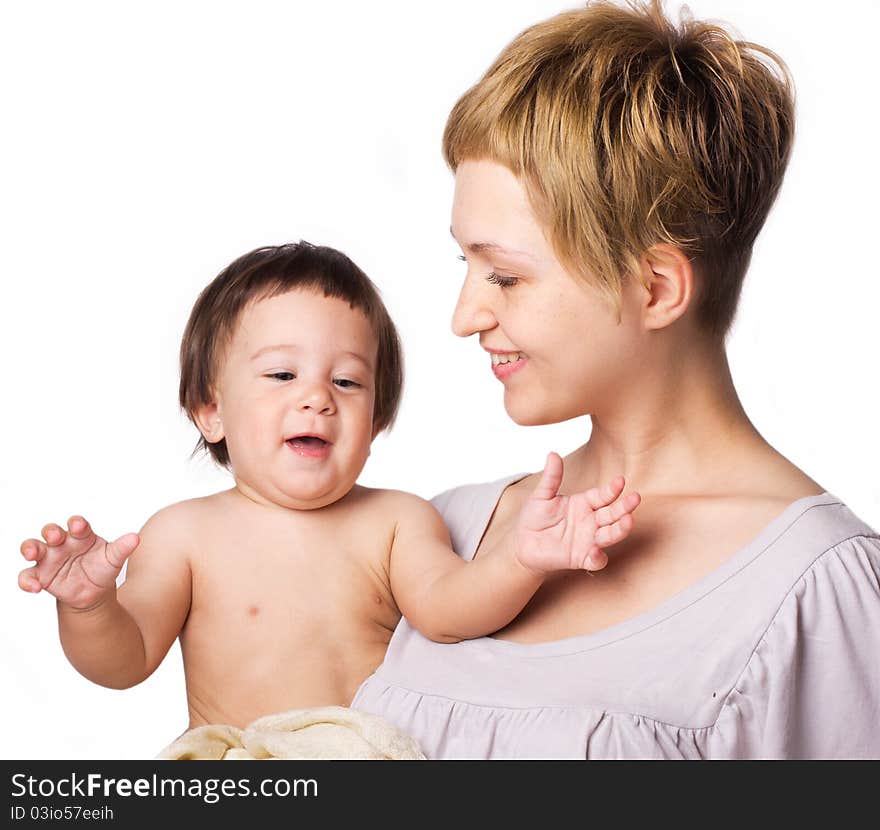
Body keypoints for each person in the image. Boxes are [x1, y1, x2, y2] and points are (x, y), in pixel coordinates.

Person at [350, 0, 880, 758]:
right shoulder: (442, 536)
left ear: (657, 289)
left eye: (504, 275)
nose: (464, 316)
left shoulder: (815, 592)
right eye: (464, 264)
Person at [16, 241, 639, 755]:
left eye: (346, 380)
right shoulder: (183, 535)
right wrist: (92, 608)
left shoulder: (396, 520)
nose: (318, 397)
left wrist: (520, 558)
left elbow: (452, 613)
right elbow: (124, 663)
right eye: (283, 374)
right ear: (211, 410)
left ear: (375, 423)